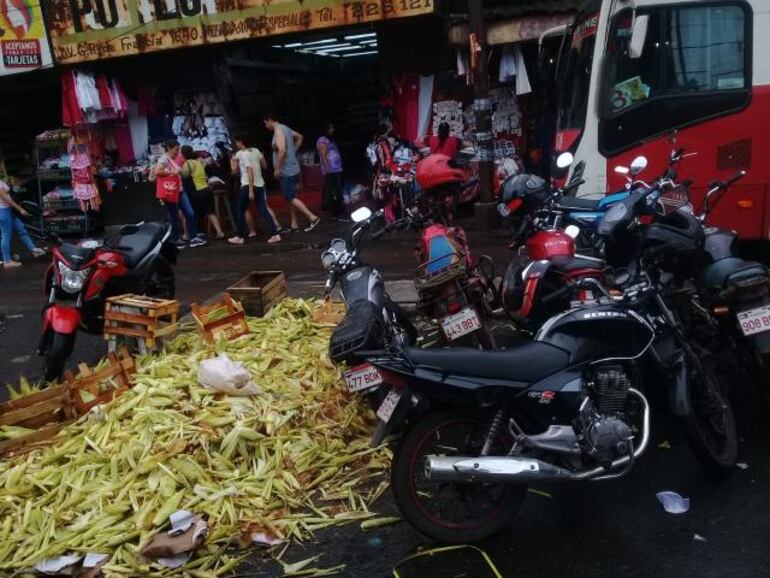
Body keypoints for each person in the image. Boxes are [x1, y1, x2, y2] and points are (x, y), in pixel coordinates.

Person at [263, 113, 320, 232]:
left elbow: (282, 150)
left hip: (286, 169)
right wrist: (293, 151)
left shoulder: (278, 131)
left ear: (269, 120)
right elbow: (300, 137)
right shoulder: (286, 128)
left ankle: (312, 217)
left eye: (265, 123)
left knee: (290, 197)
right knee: (289, 196)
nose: (265, 126)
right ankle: (294, 224)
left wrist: (277, 168)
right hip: (291, 167)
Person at [229, 136, 281, 245]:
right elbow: (265, 165)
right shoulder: (256, 151)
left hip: (248, 184)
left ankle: (239, 236)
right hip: (260, 184)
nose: (236, 144)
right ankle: (275, 234)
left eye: (236, 142)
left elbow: (242, 171)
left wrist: (233, 162)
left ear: (240, 142)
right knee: (263, 209)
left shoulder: (241, 154)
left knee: (240, 210)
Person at [153, 139, 202, 249]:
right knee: (175, 217)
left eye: (178, 149)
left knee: (189, 213)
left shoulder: (172, 159)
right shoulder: (164, 159)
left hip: (178, 190)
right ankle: (175, 239)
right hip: (171, 191)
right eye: (176, 149)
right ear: (169, 148)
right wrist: (172, 172)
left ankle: (192, 237)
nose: (177, 151)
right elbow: (157, 171)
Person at [180, 146, 224, 240]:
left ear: (183, 154)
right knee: (210, 212)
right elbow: (205, 163)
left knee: (188, 212)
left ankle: (187, 234)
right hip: (207, 190)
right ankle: (220, 232)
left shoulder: (188, 164)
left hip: (197, 191)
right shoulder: (199, 162)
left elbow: (183, 174)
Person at [0, 177, 45, 268]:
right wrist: (20, 209)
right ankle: (7, 261)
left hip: (7, 210)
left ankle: (33, 249)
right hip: (3, 211)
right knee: (6, 235)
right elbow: (6, 199)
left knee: (21, 228)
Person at [316, 121, 346, 220]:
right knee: (334, 191)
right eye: (330, 128)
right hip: (331, 170)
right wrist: (328, 168)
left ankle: (339, 211)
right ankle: (335, 213)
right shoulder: (322, 140)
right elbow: (323, 155)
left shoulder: (329, 139)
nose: (332, 130)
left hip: (336, 169)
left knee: (337, 190)